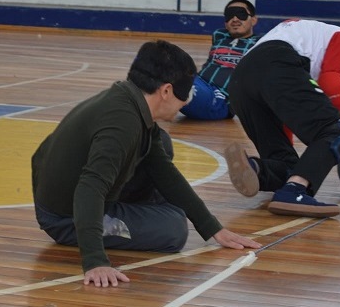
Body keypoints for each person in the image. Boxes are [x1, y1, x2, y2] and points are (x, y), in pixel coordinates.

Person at [31, 39, 261, 288]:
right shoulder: (123, 124)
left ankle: (129, 212)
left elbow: (164, 171)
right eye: (186, 93)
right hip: (66, 217)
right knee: (173, 230)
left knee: (162, 145)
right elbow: (90, 188)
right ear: (165, 91)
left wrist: (213, 228)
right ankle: (100, 224)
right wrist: (95, 261)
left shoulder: (131, 101)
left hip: (73, 193)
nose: (187, 101)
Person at [225, 19, 340, 218]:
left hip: (240, 82)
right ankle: (294, 192)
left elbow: (286, 117)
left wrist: (289, 158)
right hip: (276, 65)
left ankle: (257, 169)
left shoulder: (306, 43)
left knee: (288, 165)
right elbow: (330, 83)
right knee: (339, 131)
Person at [180, 0, 261, 120]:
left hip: (221, 100)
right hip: (199, 84)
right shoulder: (219, 35)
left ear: (254, 20)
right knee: (163, 63)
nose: (235, 19)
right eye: (230, 15)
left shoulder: (261, 44)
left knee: (176, 83)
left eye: (241, 14)